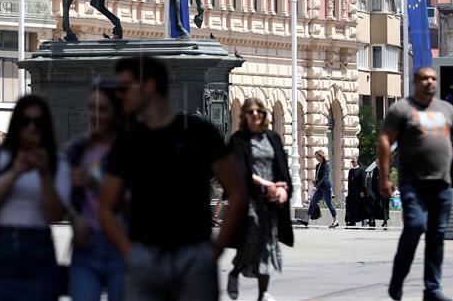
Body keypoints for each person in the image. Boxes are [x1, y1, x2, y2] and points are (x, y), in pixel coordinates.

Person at [99, 56, 246, 301]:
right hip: (145, 258)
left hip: (193, 257)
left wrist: (216, 249)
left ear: (149, 86)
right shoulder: (127, 142)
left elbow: (237, 190)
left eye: (125, 88)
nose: (119, 96)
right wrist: (130, 252)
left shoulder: (200, 134)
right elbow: (105, 206)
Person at [379, 66, 453, 301]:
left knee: (437, 235)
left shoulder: (446, 109)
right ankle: (397, 279)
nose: (429, 82)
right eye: (424, 78)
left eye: (433, 78)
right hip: (413, 183)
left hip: (442, 184)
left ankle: (432, 289)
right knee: (415, 225)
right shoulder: (402, 109)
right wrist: (384, 177)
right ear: (415, 81)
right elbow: (385, 140)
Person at [0, 95, 67, 301]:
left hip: (39, 245)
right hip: (1, 244)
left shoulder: (57, 162)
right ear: (16, 125)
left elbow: (55, 214)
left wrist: (44, 174)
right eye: (25, 122)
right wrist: (15, 173)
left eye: (38, 123)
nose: (31, 128)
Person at [56, 82, 124, 301]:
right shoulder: (79, 150)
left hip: (123, 245)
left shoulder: (130, 149)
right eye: (91, 108)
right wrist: (75, 219)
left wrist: (97, 186)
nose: (95, 115)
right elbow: (64, 199)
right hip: (87, 244)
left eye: (102, 109)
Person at [226, 98, 293, 301]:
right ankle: (235, 273)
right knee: (253, 233)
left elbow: (281, 167)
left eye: (259, 112)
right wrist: (268, 185)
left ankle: (262, 293)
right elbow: (241, 171)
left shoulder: (272, 137)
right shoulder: (238, 139)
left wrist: (283, 188)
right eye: (251, 112)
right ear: (244, 116)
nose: (256, 115)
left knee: (267, 243)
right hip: (248, 197)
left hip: (270, 201)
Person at [296, 150, 339, 228]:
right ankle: (306, 220)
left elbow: (325, 176)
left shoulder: (326, 165)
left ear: (321, 156)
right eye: (315, 156)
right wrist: (315, 183)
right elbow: (317, 177)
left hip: (326, 186)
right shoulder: (317, 166)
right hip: (319, 187)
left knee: (329, 204)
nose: (316, 158)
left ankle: (335, 221)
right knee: (313, 202)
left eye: (317, 156)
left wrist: (317, 185)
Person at [345, 156, 368, 227]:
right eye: (351, 162)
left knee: (360, 207)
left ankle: (363, 222)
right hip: (352, 192)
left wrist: (362, 191)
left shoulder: (361, 170)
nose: (352, 163)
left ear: (357, 162)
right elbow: (349, 182)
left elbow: (363, 182)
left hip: (359, 193)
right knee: (351, 207)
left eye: (354, 161)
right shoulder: (351, 171)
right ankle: (352, 221)